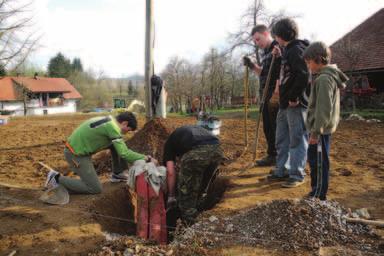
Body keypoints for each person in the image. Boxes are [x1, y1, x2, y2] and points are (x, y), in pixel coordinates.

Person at [44, 111, 156, 194]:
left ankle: (117, 174)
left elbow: (120, 148)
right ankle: (56, 178)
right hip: (75, 154)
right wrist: (147, 158)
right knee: (95, 188)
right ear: (124, 123)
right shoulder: (113, 128)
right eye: (129, 130)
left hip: (78, 149)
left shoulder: (110, 120)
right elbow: (124, 154)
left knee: (117, 144)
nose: (127, 133)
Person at [268, 18, 311, 188]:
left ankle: (297, 174)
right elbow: (287, 73)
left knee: (297, 139)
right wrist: (279, 57)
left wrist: (294, 97)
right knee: (282, 138)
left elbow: (302, 75)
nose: (275, 39)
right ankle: (282, 169)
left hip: (295, 103)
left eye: (276, 35)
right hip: (285, 104)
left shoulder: (297, 50)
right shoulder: (287, 51)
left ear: (281, 35)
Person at [303, 41, 348, 200]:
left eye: (309, 62)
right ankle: (316, 190)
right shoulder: (325, 77)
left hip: (320, 130)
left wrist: (316, 132)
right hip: (319, 129)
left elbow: (323, 109)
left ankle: (319, 195)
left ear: (318, 59)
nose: (308, 66)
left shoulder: (323, 79)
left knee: (320, 163)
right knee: (314, 159)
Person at [163, 125, 223, 224]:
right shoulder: (191, 132)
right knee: (200, 189)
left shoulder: (169, 144)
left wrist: (171, 196)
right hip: (217, 150)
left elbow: (170, 172)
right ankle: (201, 209)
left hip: (197, 153)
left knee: (186, 198)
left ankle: (191, 228)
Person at [243, 24, 281, 166]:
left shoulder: (277, 47)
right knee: (268, 126)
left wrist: (277, 93)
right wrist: (251, 65)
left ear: (266, 33)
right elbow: (263, 73)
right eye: (255, 41)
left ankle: (280, 158)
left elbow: (281, 71)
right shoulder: (266, 52)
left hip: (274, 94)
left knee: (276, 126)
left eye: (258, 39)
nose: (257, 43)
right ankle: (272, 155)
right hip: (265, 92)